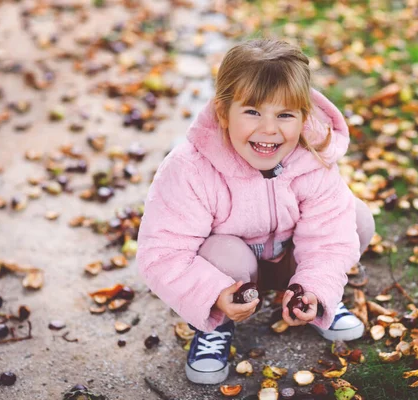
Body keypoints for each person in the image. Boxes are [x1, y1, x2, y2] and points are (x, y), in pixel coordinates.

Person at [136, 38, 376, 385]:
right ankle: (216, 322)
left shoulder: (314, 160)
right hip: (231, 273)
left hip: (291, 257)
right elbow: (163, 252)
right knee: (223, 252)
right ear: (223, 112)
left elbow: (329, 238)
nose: (268, 129)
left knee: (354, 218)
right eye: (252, 111)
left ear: (303, 116)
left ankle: (315, 298)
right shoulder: (191, 168)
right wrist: (213, 294)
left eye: (284, 114)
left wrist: (315, 285)